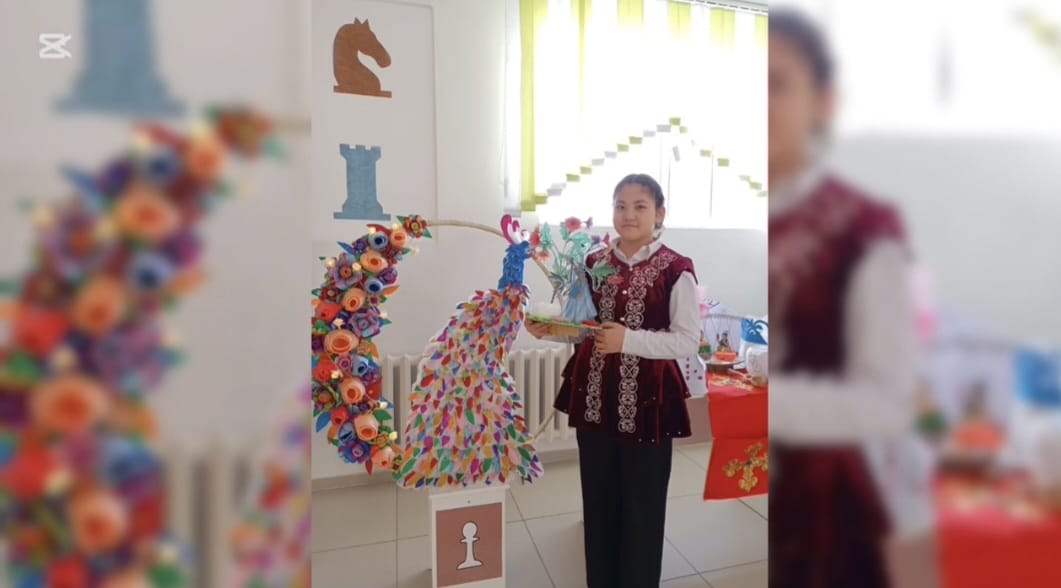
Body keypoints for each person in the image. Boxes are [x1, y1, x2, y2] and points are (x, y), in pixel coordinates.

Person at [768, 9, 925, 588]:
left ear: (824, 102)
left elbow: (888, 399)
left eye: (776, 83)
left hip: (825, 516)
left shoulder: (862, 227)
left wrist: (771, 404)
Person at [526, 173, 700, 588]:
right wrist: (550, 330)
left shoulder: (676, 269)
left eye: (640, 206)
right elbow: (583, 327)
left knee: (642, 509)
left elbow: (687, 341)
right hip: (595, 399)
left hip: (648, 406)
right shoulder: (593, 263)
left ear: (660, 214)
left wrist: (629, 340)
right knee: (599, 505)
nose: (629, 215)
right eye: (621, 206)